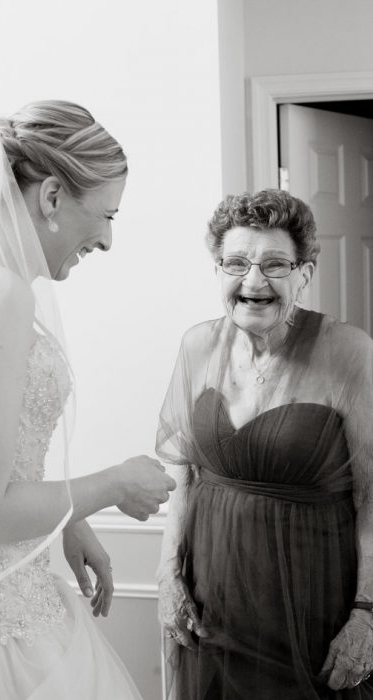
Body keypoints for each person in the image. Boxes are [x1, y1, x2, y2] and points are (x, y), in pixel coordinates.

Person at [0, 100, 175, 700]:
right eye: (104, 215)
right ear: (51, 196)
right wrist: (113, 484)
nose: (106, 239)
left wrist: (66, 518)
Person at [156, 189, 373, 699]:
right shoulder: (197, 345)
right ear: (218, 271)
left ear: (306, 272)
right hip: (211, 600)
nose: (254, 282)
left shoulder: (350, 352)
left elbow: (372, 495)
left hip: (311, 604)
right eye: (236, 263)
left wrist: (367, 613)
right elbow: (185, 475)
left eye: (275, 264)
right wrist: (168, 579)